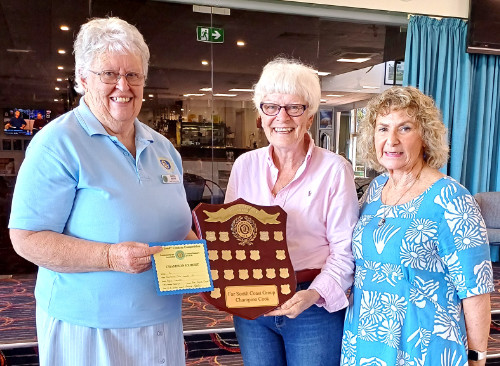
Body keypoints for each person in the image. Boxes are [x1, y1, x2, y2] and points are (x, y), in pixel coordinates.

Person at [9, 17, 195, 366]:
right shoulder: (56, 144)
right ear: (82, 79)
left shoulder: (163, 148)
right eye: (109, 74)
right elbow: (27, 238)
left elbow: (175, 228)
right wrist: (109, 257)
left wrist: (209, 257)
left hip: (163, 320)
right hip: (90, 327)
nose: (123, 86)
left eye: (133, 75)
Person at [341, 86, 494, 366]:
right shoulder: (374, 191)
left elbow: (475, 290)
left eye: (405, 128)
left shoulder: (451, 199)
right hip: (365, 342)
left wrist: (477, 358)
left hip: (425, 348)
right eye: (383, 128)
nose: (392, 140)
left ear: (425, 137)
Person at [224, 57, 359, 366]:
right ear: (261, 114)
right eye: (271, 107)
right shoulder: (245, 166)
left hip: (313, 304)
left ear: (309, 116)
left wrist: (312, 294)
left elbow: (344, 251)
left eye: (294, 108)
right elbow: (230, 241)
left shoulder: (334, 170)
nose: (281, 117)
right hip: (253, 303)